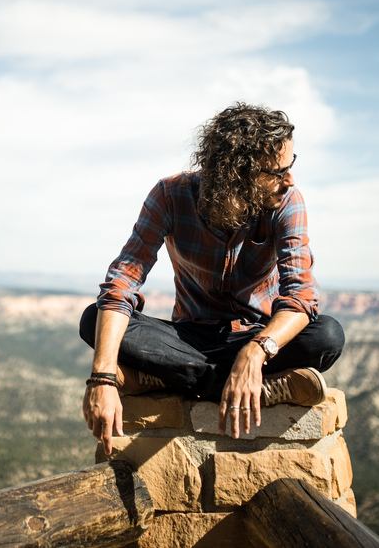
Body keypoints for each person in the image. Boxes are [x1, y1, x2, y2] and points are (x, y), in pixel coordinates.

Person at [80, 102, 345, 454]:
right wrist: (103, 377)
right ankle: (251, 386)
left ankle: (165, 378)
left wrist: (254, 353)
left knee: (326, 336)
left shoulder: (287, 202)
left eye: (290, 165)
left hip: (257, 336)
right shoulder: (170, 196)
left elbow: (300, 298)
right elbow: (122, 283)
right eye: (276, 171)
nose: (289, 179)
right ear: (236, 173)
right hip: (189, 337)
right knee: (92, 320)